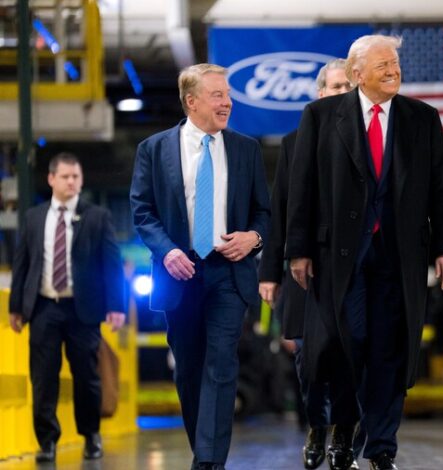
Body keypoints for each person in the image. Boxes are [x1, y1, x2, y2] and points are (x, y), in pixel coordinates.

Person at [285, 34, 443, 470]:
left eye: (395, 63)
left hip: (401, 256)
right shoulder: (321, 117)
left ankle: (381, 447)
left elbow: (441, 189)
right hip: (339, 257)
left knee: (392, 349)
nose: (393, 70)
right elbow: (302, 188)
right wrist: (298, 250)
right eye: (383, 64)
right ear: (357, 73)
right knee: (350, 344)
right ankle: (345, 429)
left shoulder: (423, 118)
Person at [129, 63, 271, 470]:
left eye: (228, 95)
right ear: (191, 101)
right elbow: (142, 211)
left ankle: (209, 462)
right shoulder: (154, 149)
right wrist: (166, 251)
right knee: (189, 369)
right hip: (179, 272)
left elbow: (264, 212)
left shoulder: (246, 149)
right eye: (217, 95)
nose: (227, 103)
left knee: (221, 362)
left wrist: (253, 238)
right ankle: (203, 451)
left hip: (229, 272)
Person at [258, 59, 361, 470]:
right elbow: (281, 210)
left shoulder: (371, 141)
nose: (341, 93)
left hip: (354, 271)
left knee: (351, 357)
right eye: (335, 87)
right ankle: (317, 426)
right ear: (320, 94)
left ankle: (343, 437)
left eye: (348, 87)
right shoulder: (295, 142)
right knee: (309, 360)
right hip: (307, 269)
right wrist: (270, 272)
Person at [9, 152, 126, 463]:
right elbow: (22, 264)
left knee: (87, 376)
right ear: (51, 179)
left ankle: (91, 436)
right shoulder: (34, 218)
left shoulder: (97, 216)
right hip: (43, 308)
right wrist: (16, 306)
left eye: (76, 176)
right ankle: (47, 442)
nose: (71, 182)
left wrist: (116, 305)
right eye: (65, 176)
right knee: (43, 378)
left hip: (83, 310)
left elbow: (112, 264)